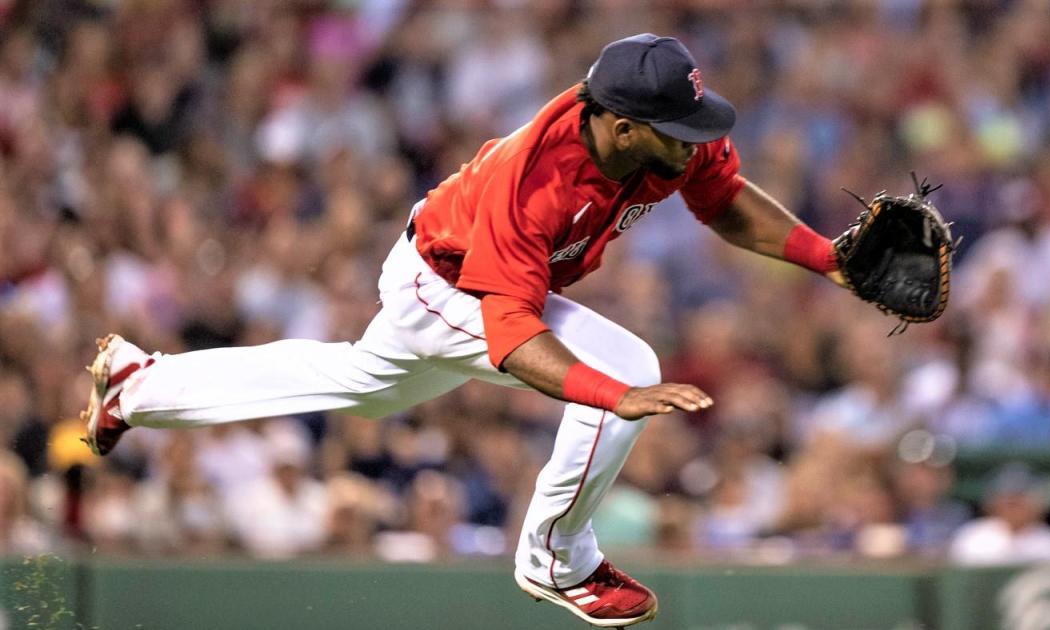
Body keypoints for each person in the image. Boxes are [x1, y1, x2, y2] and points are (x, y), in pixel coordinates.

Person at [83, 34, 850, 627]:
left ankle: (138, 386)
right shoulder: (537, 180)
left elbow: (724, 197)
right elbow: (513, 334)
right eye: (676, 129)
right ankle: (556, 559)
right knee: (629, 363)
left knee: (363, 387)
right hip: (444, 281)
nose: (693, 141)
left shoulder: (664, 136)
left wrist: (830, 259)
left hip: (481, 278)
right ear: (618, 127)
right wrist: (609, 394)